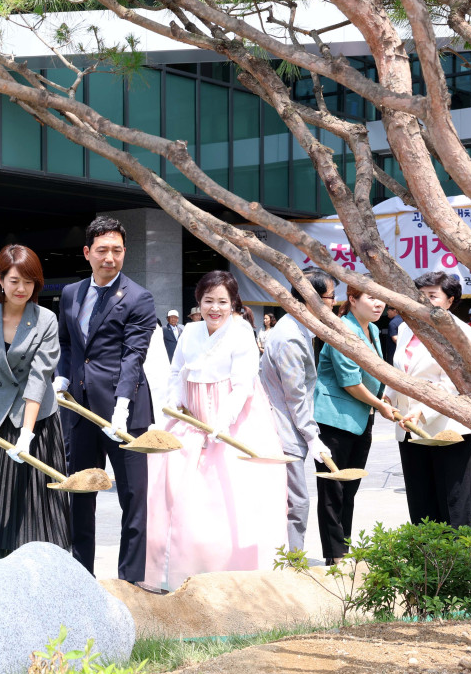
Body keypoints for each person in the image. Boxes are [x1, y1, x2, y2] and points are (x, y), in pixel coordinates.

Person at [144, 270, 287, 592]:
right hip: (190, 419)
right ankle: (182, 571)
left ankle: (235, 574)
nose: (215, 308)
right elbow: (176, 371)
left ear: (233, 303)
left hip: (232, 424)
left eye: (222, 302)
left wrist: (221, 425)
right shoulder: (190, 331)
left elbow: (243, 384)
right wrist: (174, 404)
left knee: (230, 499)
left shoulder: (241, 333)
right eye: (209, 301)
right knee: (178, 495)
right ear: (199, 302)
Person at [55, 216, 158, 592]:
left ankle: (131, 579)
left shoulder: (137, 297)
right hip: (79, 410)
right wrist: (62, 376)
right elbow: (68, 344)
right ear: (87, 253)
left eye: (117, 250)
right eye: (102, 250)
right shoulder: (70, 293)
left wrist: (121, 406)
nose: (110, 258)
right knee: (81, 491)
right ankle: (81, 575)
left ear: (124, 252)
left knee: (132, 495)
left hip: (124, 413)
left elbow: (134, 356)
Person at [0, 245, 70, 557]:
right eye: (14, 281)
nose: (22, 288)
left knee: (36, 503)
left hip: (36, 422)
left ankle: (39, 574)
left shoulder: (47, 319)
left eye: (30, 282)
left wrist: (26, 434)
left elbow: (39, 378)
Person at [312, 282, 397, 563]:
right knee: (332, 490)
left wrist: (386, 403)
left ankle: (343, 549)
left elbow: (377, 375)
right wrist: (381, 406)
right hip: (333, 419)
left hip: (362, 419)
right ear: (353, 299)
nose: (379, 304)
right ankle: (334, 556)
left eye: (382, 299)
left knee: (350, 488)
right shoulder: (342, 328)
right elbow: (350, 382)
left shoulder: (372, 329)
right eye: (371, 298)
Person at [387, 271, 471, 528]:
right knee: (421, 503)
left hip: (447, 429)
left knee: (454, 505)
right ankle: (425, 563)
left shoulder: (462, 333)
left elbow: (454, 384)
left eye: (432, 296)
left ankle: (460, 565)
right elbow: (399, 372)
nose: (425, 302)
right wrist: (387, 396)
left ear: (450, 300)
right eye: (420, 296)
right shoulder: (405, 328)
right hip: (408, 428)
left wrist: (422, 412)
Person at [259, 271, 335, 555]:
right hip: (284, 430)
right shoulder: (290, 338)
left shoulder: (299, 330)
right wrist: (312, 436)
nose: (333, 303)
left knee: (292, 500)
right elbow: (295, 396)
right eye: (330, 297)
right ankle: (292, 563)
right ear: (310, 300)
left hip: (289, 428)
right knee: (296, 502)